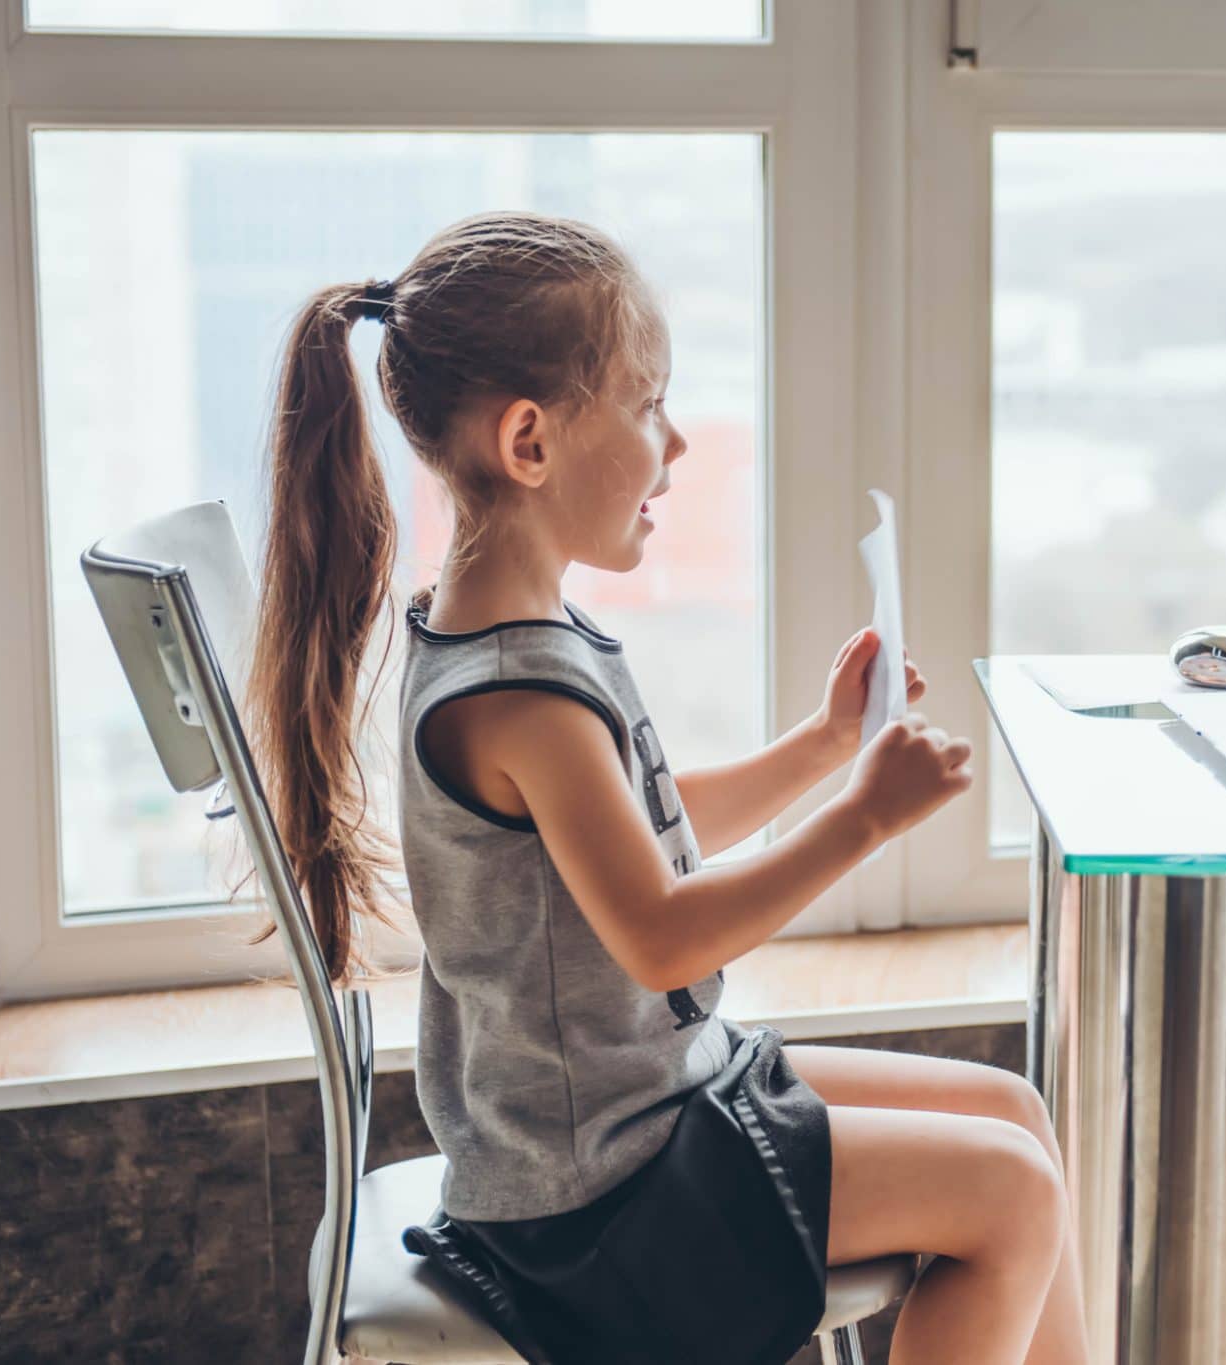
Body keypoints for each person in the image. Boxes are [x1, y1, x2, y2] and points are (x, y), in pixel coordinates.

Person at [245, 210, 1087, 1364]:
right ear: (529, 442)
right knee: (1007, 1194)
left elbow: (629, 831)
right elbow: (660, 939)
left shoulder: (510, 635)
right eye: (647, 405)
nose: (676, 443)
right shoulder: (515, 690)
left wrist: (819, 746)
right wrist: (862, 820)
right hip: (597, 1194)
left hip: (644, 1111)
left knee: (1013, 1118)